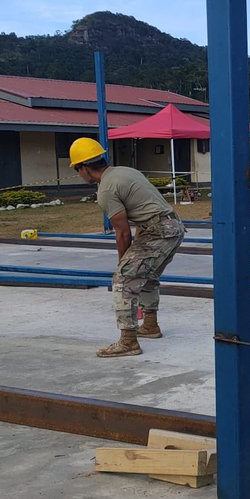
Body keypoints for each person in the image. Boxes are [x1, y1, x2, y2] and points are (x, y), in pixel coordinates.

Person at [69, 138, 185, 358]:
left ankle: (128, 341)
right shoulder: (125, 171)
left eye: (77, 170)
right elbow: (145, 210)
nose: (79, 174)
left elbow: (122, 232)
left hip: (158, 231)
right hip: (173, 227)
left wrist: (123, 266)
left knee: (124, 279)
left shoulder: (106, 190)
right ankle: (150, 326)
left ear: (84, 168)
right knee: (146, 275)